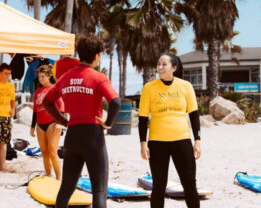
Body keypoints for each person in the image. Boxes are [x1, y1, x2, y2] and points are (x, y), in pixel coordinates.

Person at [42, 34, 121, 208]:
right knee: (99, 190)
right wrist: (108, 123)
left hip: (72, 135)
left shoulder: (66, 77)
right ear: (97, 55)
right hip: (93, 136)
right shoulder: (98, 77)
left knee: (66, 188)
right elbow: (115, 102)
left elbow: (47, 102)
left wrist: (63, 121)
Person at [138, 52, 202, 208]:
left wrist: (197, 141)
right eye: (158, 64)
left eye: (164, 64)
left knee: (189, 184)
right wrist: (143, 143)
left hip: (182, 140)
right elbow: (143, 119)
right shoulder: (149, 88)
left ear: (174, 67)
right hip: (157, 142)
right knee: (158, 186)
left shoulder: (185, 86)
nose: (160, 67)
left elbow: (194, 115)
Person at [30, 64, 64, 180]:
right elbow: (35, 110)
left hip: (53, 122)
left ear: (49, 76)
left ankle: (59, 178)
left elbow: (61, 107)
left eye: (43, 76)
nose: (41, 79)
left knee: (52, 150)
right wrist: (32, 126)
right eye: (39, 77)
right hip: (40, 124)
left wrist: (60, 123)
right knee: (44, 151)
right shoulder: (38, 91)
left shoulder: (54, 89)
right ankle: (49, 175)